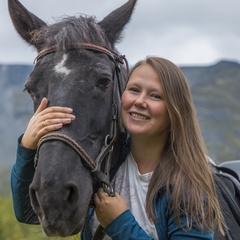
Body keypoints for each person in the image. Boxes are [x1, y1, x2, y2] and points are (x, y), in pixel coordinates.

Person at [11, 56, 224, 239]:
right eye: (134, 90)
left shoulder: (189, 184)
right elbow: (29, 212)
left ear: (175, 110)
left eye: (155, 95)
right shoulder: (105, 163)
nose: (140, 101)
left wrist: (120, 224)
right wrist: (28, 147)